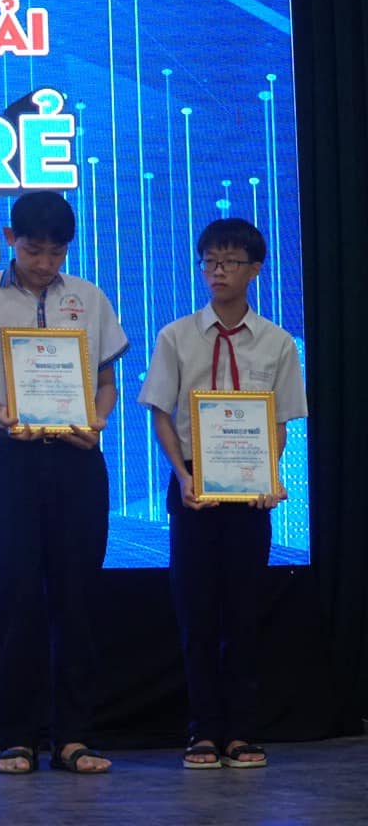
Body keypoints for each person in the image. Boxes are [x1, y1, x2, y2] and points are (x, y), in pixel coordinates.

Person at [0, 191, 127, 777]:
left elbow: (107, 381)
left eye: (56, 252)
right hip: (4, 459)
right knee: (12, 598)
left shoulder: (88, 298)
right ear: (9, 238)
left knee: (77, 601)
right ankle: (17, 737)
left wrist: (97, 420)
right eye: (33, 249)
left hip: (75, 460)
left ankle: (74, 737)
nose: (44, 262)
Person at [140, 218, 306, 771]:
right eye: (209, 261)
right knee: (196, 613)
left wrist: (270, 476)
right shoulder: (176, 335)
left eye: (230, 262)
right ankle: (203, 731)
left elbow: (279, 421)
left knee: (243, 613)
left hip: (250, 488)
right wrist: (182, 477)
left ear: (254, 269)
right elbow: (160, 413)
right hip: (193, 482)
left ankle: (241, 731)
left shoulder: (277, 342)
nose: (217, 271)